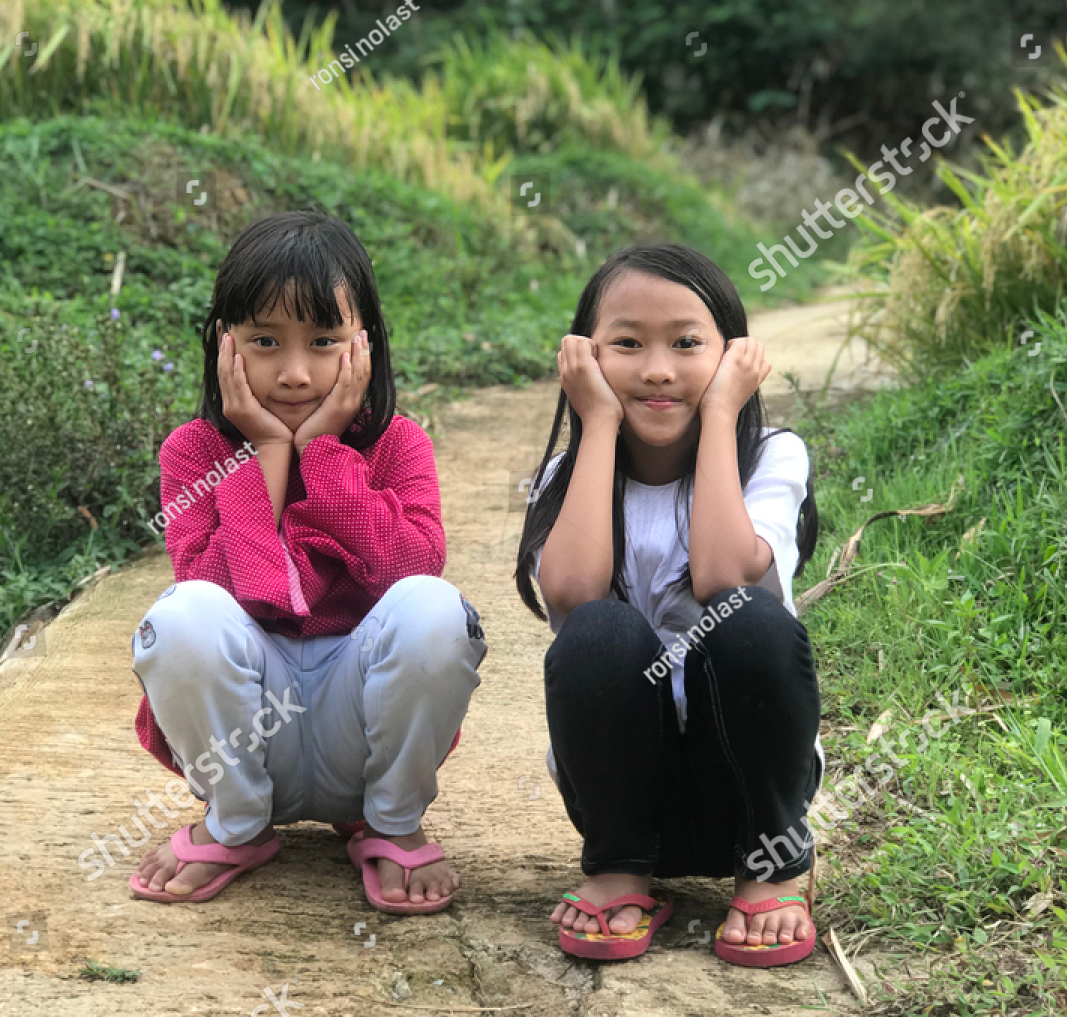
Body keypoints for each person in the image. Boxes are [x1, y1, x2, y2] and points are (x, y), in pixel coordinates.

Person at [129, 211, 486, 911]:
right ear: (225, 344)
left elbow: (410, 567)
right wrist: (267, 451)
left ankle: (392, 821)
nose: (294, 374)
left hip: (364, 739)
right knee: (179, 616)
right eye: (265, 341)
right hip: (247, 738)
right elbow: (214, 589)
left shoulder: (399, 445)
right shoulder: (193, 452)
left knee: (436, 609)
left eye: (323, 342)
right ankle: (235, 822)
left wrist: (322, 452)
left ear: (364, 344)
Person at [514, 243, 822, 964]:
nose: (657, 370)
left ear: (732, 355)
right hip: (620, 801)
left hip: (752, 792)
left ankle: (771, 869)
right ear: (583, 356)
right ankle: (620, 870)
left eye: (686, 344)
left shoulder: (771, 455)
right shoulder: (565, 476)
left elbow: (722, 576)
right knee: (597, 628)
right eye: (627, 344)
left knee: (748, 617)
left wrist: (720, 414)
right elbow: (571, 596)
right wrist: (597, 423)